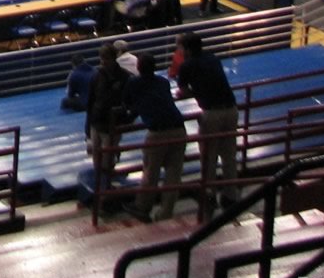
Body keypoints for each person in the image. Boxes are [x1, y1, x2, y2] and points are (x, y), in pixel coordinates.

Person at [175, 32, 239, 209]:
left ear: (186, 49)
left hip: (211, 112)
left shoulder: (186, 66)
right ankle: (231, 195)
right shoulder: (213, 59)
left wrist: (196, 93)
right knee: (229, 155)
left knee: (208, 155)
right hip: (231, 109)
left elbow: (183, 90)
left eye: (179, 47)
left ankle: (209, 193)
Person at [120, 51, 186, 222]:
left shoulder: (134, 83)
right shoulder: (163, 82)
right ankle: (166, 212)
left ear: (139, 68)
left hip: (158, 131)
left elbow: (127, 102)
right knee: (173, 173)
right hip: (179, 128)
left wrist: (130, 115)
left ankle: (142, 206)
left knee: (151, 171)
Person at [84, 42, 130, 183]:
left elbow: (129, 100)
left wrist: (124, 119)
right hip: (97, 121)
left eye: (106, 58)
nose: (103, 61)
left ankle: (108, 180)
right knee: (96, 154)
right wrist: (88, 126)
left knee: (108, 157)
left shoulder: (124, 77)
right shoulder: (96, 76)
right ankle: (101, 180)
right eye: (101, 58)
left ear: (114, 57)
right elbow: (91, 101)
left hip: (112, 123)